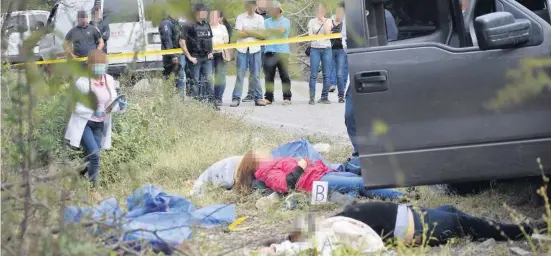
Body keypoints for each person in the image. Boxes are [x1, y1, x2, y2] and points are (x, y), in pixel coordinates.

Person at [64, 49, 127, 188]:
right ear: (89, 66)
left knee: (90, 157)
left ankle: (77, 176)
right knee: (95, 155)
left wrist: (120, 106)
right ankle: (94, 189)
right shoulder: (82, 82)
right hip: (85, 123)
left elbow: (111, 104)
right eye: (96, 65)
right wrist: (93, 111)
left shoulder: (109, 80)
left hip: (100, 124)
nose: (99, 68)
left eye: (102, 64)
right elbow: (75, 107)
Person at [233, 151, 407, 201]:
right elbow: (285, 185)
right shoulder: (266, 171)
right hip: (315, 181)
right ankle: (402, 197)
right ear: (256, 160)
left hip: (319, 174)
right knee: (361, 183)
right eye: (260, 152)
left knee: (355, 182)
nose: (265, 151)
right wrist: (301, 166)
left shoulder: (273, 163)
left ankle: (394, 192)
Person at [344, 10, 398, 157]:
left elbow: (392, 42)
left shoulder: (384, 15)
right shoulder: (351, 15)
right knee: (350, 116)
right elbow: (345, 43)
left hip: (380, 71)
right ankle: (358, 152)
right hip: (358, 72)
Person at [231, 0, 266, 107]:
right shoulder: (240, 17)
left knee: (255, 75)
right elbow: (238, 34)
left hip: (255, 50)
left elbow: (262, 35)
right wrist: (253, 32)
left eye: (253, 5)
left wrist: (247, 32)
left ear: (256, 6)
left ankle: (258, 98)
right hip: (242, 50)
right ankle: (236, 98)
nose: (251, 7)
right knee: (240, 76)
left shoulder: (260, 18)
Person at [182, 3, 215, 105]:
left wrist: (211, 52)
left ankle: (211, 103)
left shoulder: (206, 24)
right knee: (195, 81)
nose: (205, 13)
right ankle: (196, 104)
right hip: (195, 58)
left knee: (209, 81)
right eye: (203, 11)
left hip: (206, 58)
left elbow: (210, 39)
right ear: (197, 12)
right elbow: (182, 42)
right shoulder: (188, 24)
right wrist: (189, 57)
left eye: (206, 11)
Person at [262, 1, 292, 105]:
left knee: (284, 76)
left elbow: (281, 31)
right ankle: (269, 98)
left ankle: (287, 97)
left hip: (282, 52)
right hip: (269, 51)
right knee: (269, 76)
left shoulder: (285, 21)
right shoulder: (266, 22)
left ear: (278, 10)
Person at [241, 0, 271, 103]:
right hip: (254, 46)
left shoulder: (269, 16)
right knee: (254, 72)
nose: (266, 4)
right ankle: (251, 94)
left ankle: (269, 95)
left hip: (268, 47)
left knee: (268, 71)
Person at [307, 3, 333, 105]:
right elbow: (310, 36)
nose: (320, 11)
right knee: (313, 74)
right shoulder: (311, 21)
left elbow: (327, 33)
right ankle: (312, 97)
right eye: (319, 9)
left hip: (326, 49)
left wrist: (323, 21)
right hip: (315, 49)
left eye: (322, 9)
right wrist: (317, 37)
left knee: (326, 74)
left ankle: (324, 97)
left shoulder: (329, 21)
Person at [159, 13, 185, 94]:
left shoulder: (175, 23)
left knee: (179, 77)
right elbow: (167, 40)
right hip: (171, 57)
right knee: (170, 79)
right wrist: (173, 55)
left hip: (178, 54)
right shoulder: (166, 23)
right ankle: (170, 101)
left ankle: (179, 100)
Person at [210, 9, 230, 106]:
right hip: (209, 55)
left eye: (215, 16)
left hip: (221, 54)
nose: (213, 18)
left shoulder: (222, 28)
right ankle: (210, 97)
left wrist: (220, 44)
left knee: (220, 77)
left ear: (219, 18)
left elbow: (226, 40)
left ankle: (218, 97)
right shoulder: (206, 27)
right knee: (208, 76)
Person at [328, 2, 346, 103]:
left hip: (341, 50)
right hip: (330, 49)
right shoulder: (330, 20)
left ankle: (341, 95)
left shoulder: (346, 21)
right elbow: (326, 32)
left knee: (340, 73)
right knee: (331, 70)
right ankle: (325, 94)